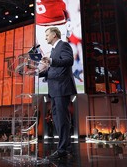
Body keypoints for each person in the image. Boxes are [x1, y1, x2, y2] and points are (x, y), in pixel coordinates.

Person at [39, 27, 77, 160]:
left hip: (62, 88)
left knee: (61, 120)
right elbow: (54, 70)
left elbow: (69, 61)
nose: (45, 38)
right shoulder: (55, 49)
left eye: (47, 35)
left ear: (54, 35)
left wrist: (51, 61)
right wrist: (37, 72)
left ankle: (62, 150)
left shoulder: (63, 45)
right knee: (58, 120)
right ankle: (64, 147)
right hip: (55, 89)